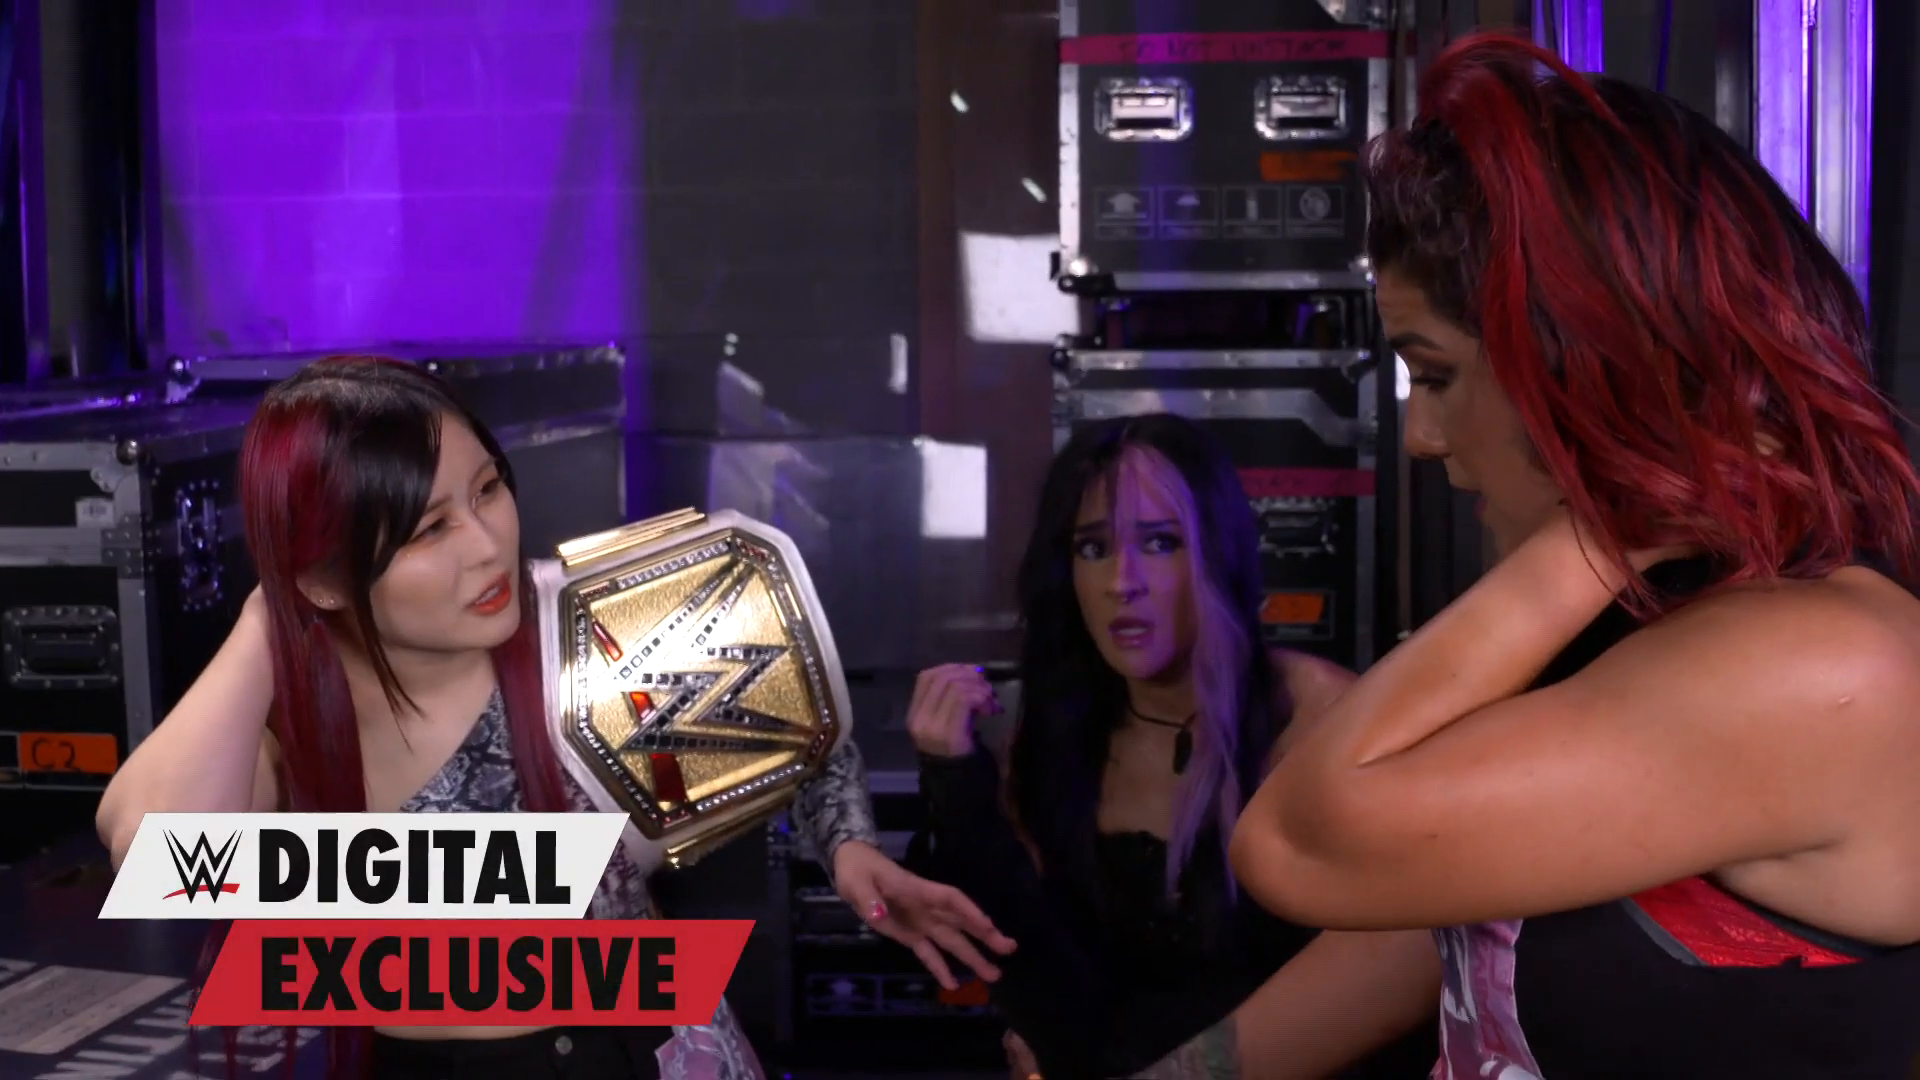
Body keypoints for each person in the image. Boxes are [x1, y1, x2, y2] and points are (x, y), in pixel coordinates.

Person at [1229, 33, 1920, 1080]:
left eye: (1437, 375)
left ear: (1588, 367)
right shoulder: (1663, 619)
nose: (1422, 438)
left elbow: (1299, 843)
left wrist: (1602, 525)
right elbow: (1421, 923)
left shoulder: (1822, 664)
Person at [93, 356, 1009, 1080]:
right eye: (429, 529)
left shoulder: (593, 632)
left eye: (488, 489)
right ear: (326, 578)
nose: (488, 543)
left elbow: (792, 706)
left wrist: (849, 852)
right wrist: (269, 615)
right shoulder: (292, 726)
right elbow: (150, 854)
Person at [910, 413, 1441, 1079]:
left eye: (1159, 543)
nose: (1121, 581)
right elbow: (1043, 991)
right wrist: (955, 780)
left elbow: (1405, 973)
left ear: (1218, 553)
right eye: (1093, 549)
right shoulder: (1056, 739)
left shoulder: (1324, 721)